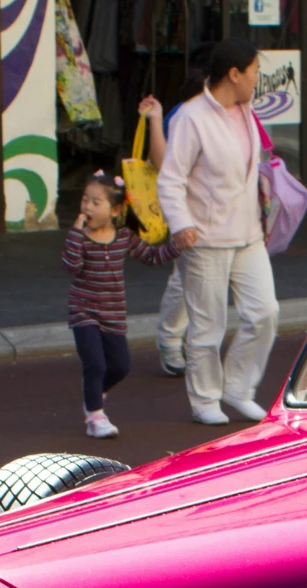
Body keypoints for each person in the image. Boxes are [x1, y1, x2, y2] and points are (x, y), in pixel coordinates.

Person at [159, 38, 280, 425]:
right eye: (255, 72)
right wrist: (181, 224)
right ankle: (205, 400)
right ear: (234, 74)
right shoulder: (190, 117)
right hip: (205, 239)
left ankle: (239, 389)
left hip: (248, 233)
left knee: (265, 312)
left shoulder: (245, 109)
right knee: (208, 326)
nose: (258, 79)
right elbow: (170, 179)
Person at [63, 155, 186, 439]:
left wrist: (176, 246)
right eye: (85, 200)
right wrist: (75, 234)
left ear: (116, 209)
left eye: (96, 202)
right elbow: (70, 266)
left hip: (113, 314)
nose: (88, 207)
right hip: (84, 312)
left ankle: (94, 393)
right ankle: (95, 417)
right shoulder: (79, 236)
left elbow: (152, 257)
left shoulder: (124, 237)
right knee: (95, 363)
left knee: (120, 366)